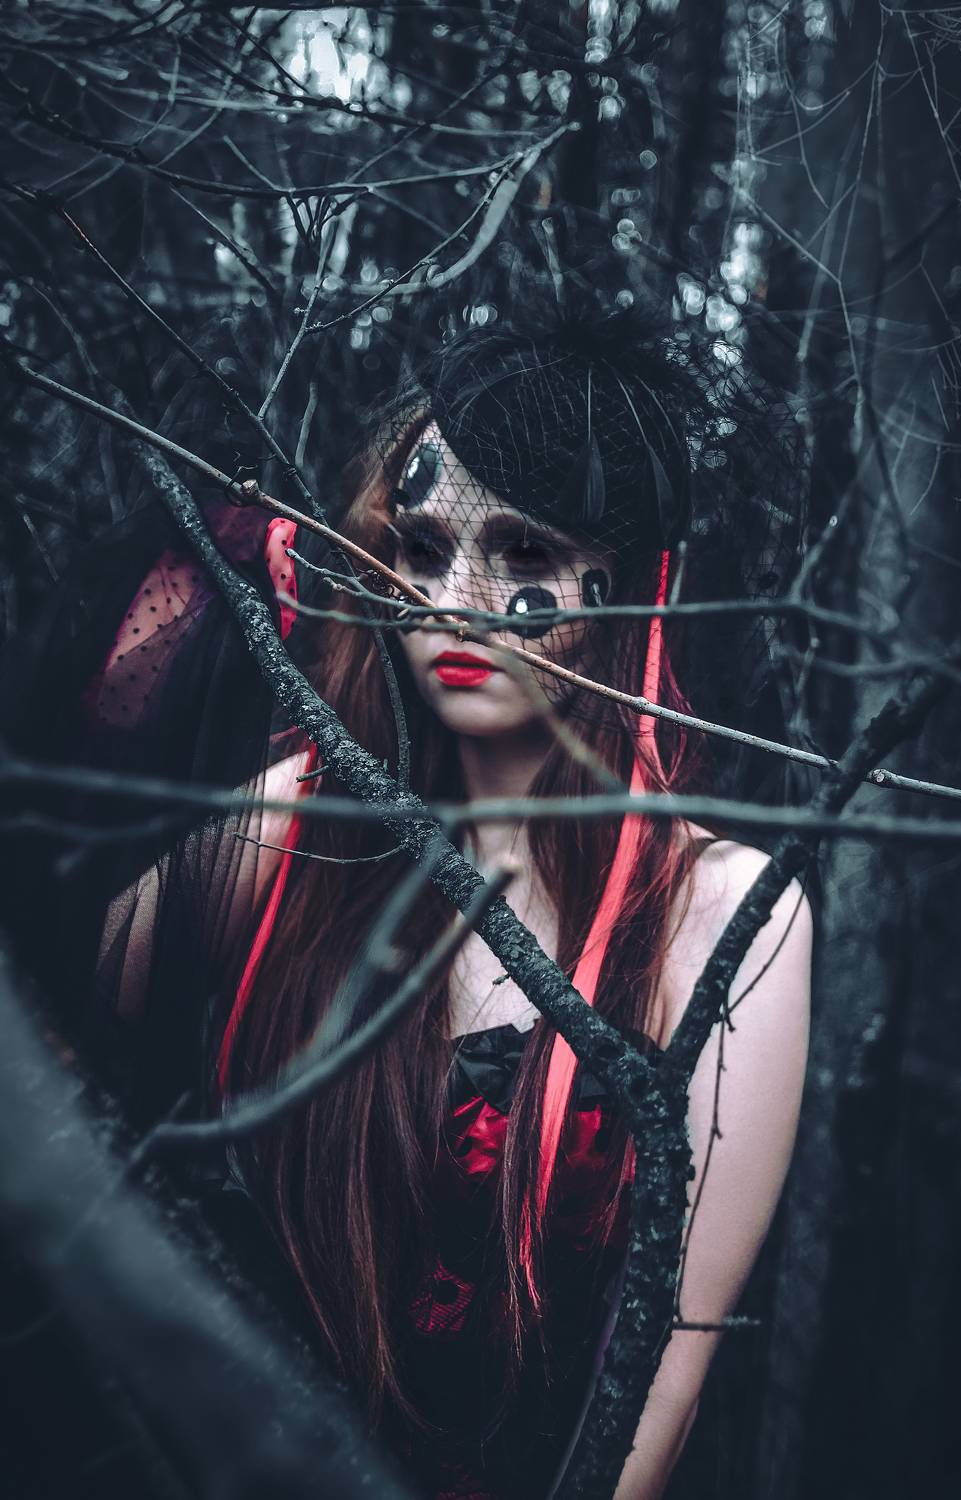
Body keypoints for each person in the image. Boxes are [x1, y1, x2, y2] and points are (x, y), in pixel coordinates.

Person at [9, 311, 811, 1499]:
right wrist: (196, 594)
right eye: (424, 549)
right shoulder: (300, 821)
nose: (454, 599)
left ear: (638, 586)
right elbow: (51, 992)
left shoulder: (727, 916)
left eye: (524, 553)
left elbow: (667, 1373)